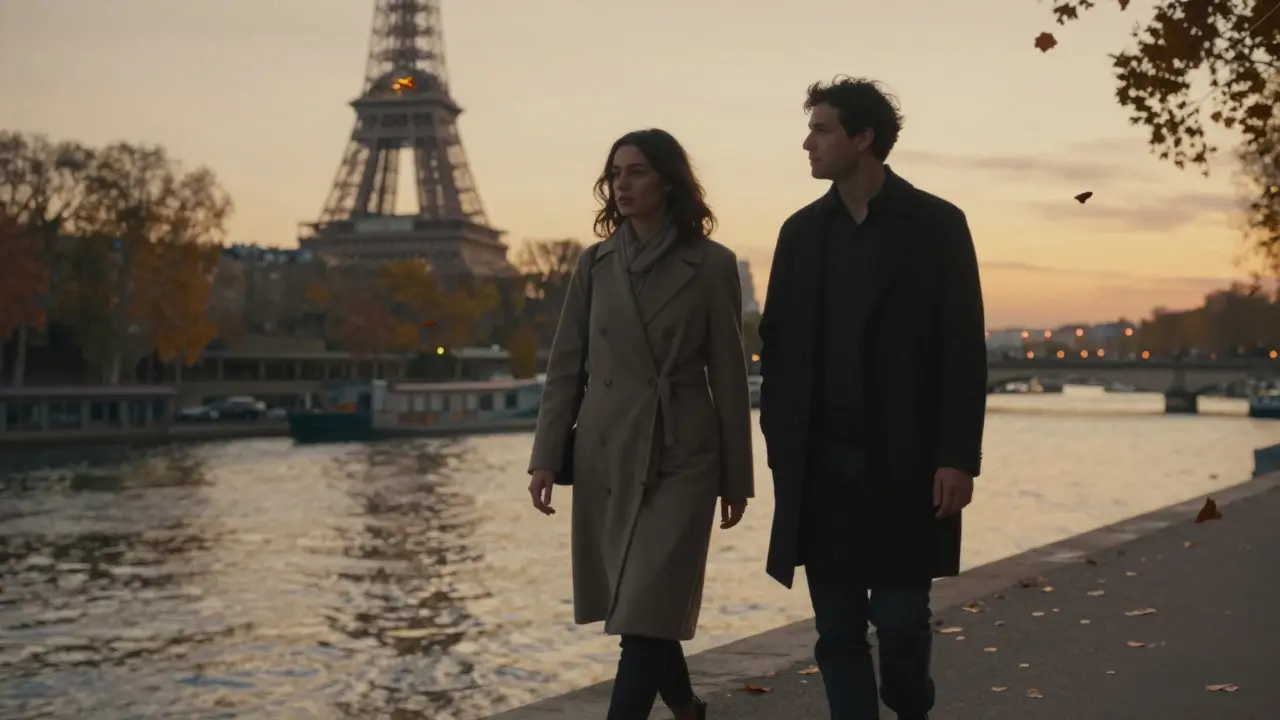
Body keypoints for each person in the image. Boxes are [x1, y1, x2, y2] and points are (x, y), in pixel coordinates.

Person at [757, 77, 988, 720]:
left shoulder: (939, 225)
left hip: (906, 465)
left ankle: (910, 703)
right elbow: (776, 347)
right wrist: (779, 440)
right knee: (835, 634)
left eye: (822, 129)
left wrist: (957, 458)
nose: (807, 143)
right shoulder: (799, 234)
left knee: (902, 624)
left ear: (864, 139)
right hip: (821, 467)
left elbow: (963, 352)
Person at [527, 128, 754, 720]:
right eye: (615, 174)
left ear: (669, 182)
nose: (621, 185)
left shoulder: (712, 265)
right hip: (608, 450)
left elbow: (728, 379)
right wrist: (546, 456)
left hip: (682, 455)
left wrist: (737, 477)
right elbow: (564, 367)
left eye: (637, 172)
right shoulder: (594, 264)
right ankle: (685, 706)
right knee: (641, 607)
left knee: (646, 609)